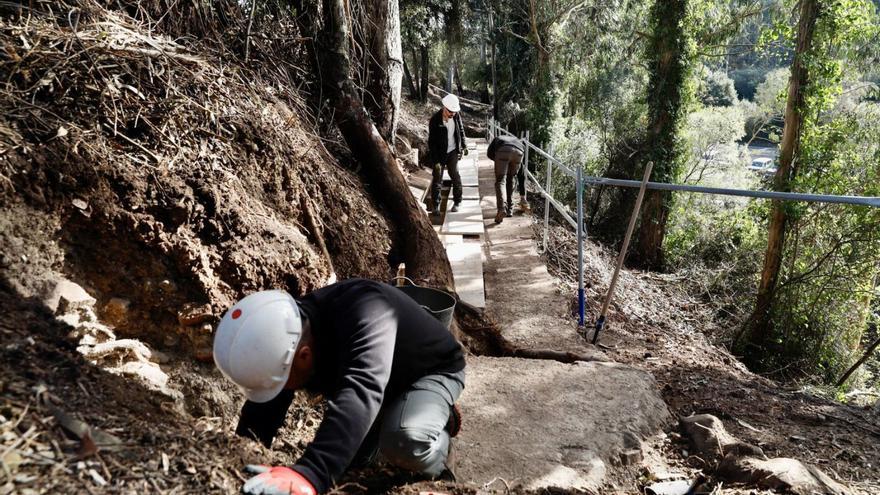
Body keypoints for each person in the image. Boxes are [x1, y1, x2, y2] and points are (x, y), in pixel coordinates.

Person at [213, 279, 466, 495]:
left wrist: (311, 473)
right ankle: (395, 418)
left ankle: (438, 447)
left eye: (280, 385)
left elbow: (362, 386)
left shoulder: (367, 309)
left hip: (430, 372)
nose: (278, 391)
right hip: (380, 382)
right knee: (352, 474)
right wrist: (243, 456)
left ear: (304, 356)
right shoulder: (288, 333)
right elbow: (266, 405)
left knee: (405, 441)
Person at [426, 94, 468, 216]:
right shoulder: (435, 120)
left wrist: (464, 145)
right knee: (437, 178)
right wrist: (436, 161)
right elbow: (432, 143)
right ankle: (436, 206)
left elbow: (461, 130)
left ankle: (457, 202)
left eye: (454, 112)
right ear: (444, 107)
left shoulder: (456, 116)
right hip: (440, 154)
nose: (452, 114)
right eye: (450, 112)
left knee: (455, 175)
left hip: (453, 151)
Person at [486, 134, 525, 224]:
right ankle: (509, 209)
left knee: (500, 181)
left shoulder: (497, 139)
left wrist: (498, 161)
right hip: (519, 152)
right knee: (510, 179)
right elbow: (521, 173)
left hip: (503, 151)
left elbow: (489, 154)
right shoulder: (517, 141)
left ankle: (501, 209)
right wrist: (522, 195)